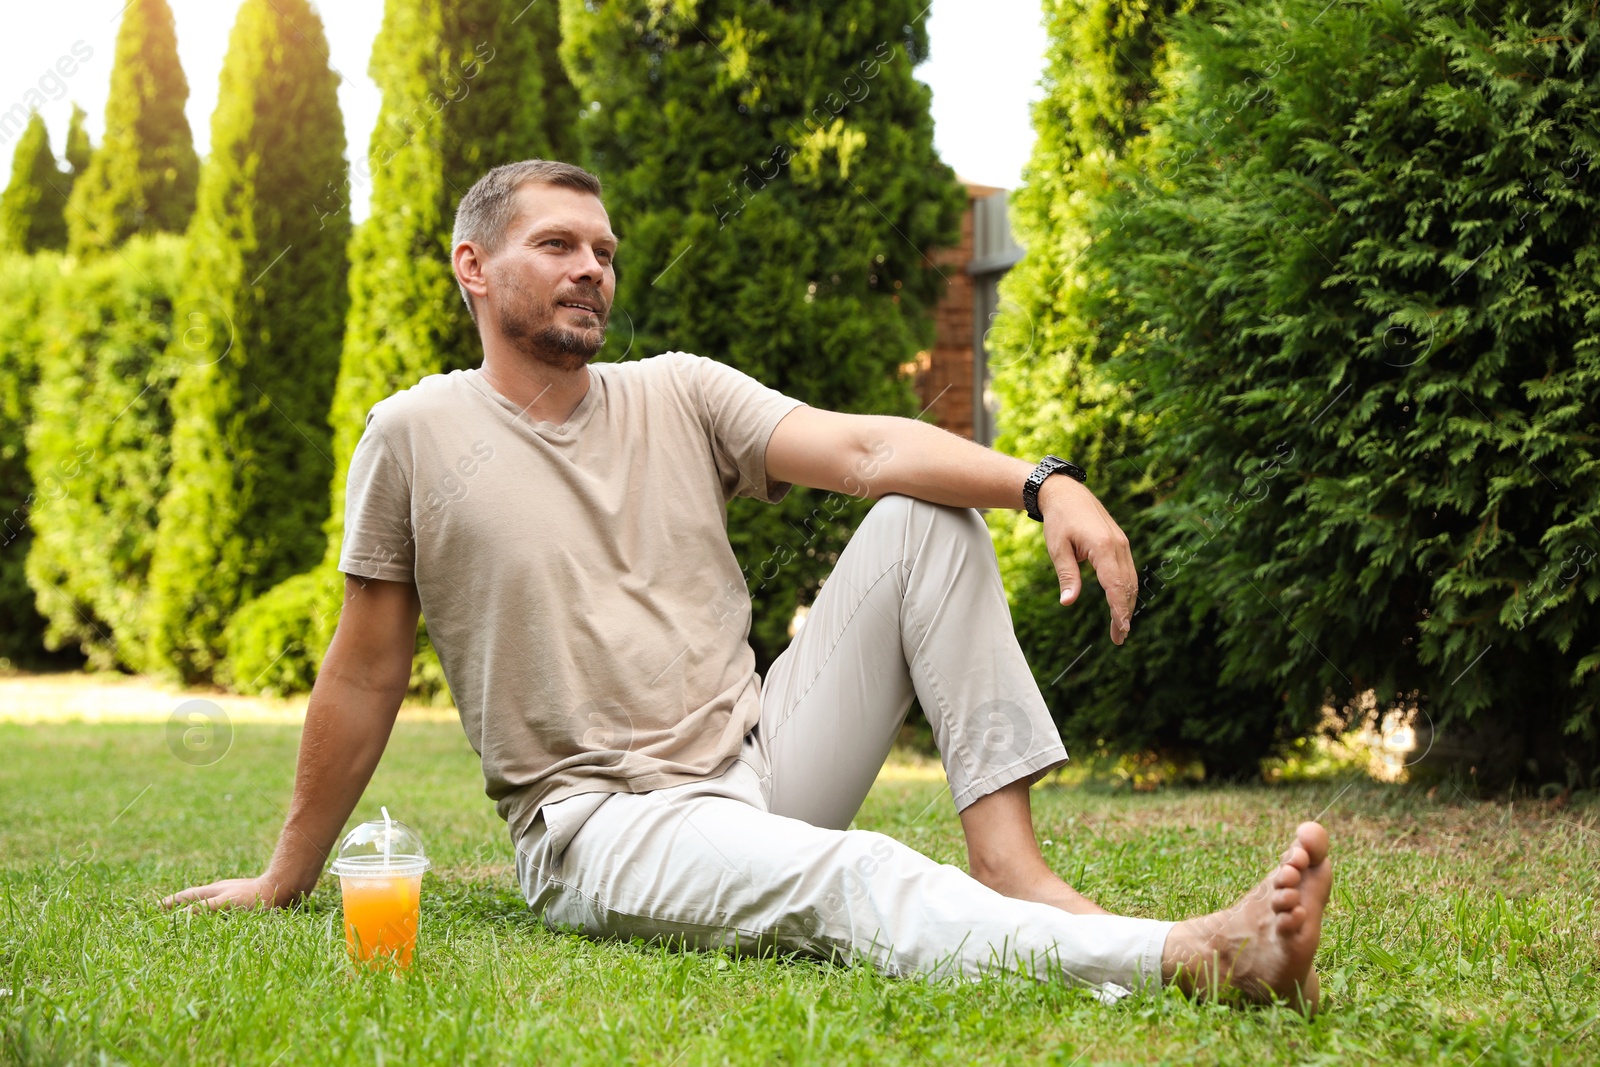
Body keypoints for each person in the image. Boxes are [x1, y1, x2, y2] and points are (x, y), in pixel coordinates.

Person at [161, 160, 1331, 1011]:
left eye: (605, 251)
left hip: (760, 763)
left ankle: (1011, 865)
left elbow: (867, 450)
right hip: (600, 823)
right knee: (860, 875)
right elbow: (364, 667)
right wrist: (286, 873)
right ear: (473, 266)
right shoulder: (413, 433)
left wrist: (1041, 481)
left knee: (930, 516)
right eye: (558, 245)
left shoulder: (675, 389)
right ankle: (1193, 955)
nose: (591, 270)